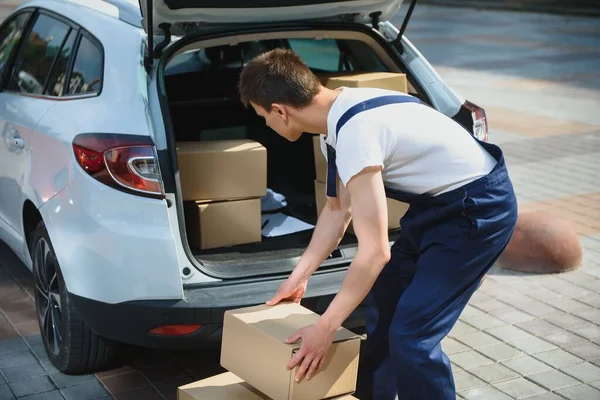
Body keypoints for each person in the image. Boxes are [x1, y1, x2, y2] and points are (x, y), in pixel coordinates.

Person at [237, 48, 518, 400]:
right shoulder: (337, 119)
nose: (266, 124)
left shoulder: (356, 133)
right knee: (385, 302)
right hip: (438, 206)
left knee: (413, 336)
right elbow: (338, 211)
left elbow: (374, 253)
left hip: (477, 212)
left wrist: (326, 326)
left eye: (264, 116)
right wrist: (300, 276)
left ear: (280, 110)